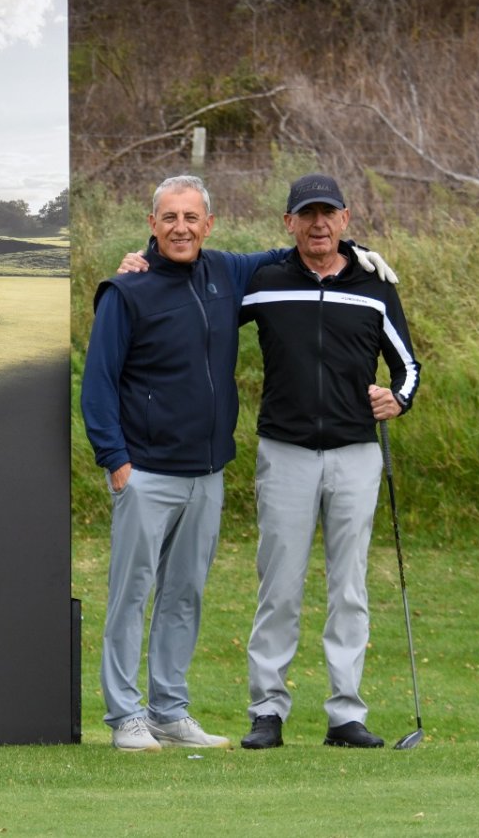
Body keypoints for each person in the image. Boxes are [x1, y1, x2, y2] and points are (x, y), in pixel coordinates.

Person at [80, 175, 291, 752]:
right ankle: (125, 716)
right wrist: (115, 461)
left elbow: (289, 253)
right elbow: (98, 384)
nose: (180, 228)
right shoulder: (126, 290)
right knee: (130, 595)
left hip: (207, 473)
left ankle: (168, 712)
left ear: (209, 224)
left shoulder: (226, 272)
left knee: (184, 596)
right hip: (145, 472)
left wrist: (351, 252)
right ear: (152, 224)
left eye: (191, 218)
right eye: (169, 218)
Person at [238, 173, 420, 750]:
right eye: (307, 214)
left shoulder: (374, 287)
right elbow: (200, 296)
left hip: (355, 454)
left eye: (328, 214)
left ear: (345, 219)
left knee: (349, 588)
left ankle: (345, 714)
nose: (318, 224)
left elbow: (407, 366)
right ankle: (267, 711)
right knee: (279, 586)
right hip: (285, 451)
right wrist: (145, 261)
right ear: (289, 222)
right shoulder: (265, 282)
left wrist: (399, 398)